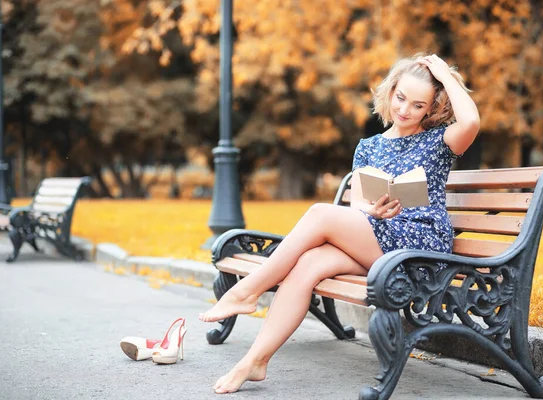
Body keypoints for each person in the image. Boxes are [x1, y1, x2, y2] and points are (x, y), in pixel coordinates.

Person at [198, 53, 480, 394]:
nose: (405, 109)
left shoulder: (439, 141)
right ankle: (255, 361)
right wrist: (372, 212)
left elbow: (472, 123)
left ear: (432, 107)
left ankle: (248, 290)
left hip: (421, 248)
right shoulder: (370, 147)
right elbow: (359, 202)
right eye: (401, 97)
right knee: (308, 263)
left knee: (319, 214)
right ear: (390, 92)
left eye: (418, 105)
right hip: (380, 237)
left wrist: (445, 77)